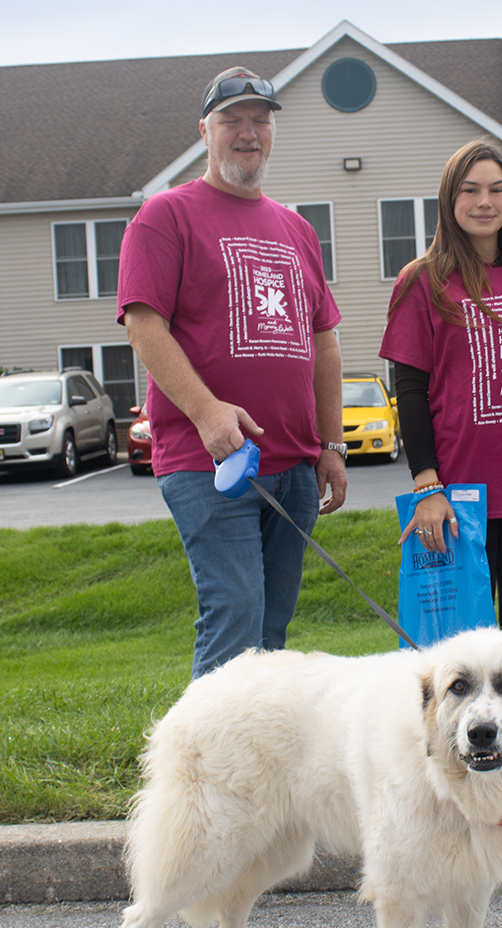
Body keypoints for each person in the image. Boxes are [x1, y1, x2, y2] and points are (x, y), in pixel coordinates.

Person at [117, 67, 347, 678]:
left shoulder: (297, 229)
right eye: (232, 121)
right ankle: (205, 745)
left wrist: (331, 445)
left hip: (294, 466)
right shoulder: (165, 216)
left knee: (271, 626)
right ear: (205, 131)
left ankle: (258, 741)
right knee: (236, 612)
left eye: (260, 121)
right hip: (210, 462)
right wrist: (206, 411)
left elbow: (323, 342)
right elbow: (144, 326)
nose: (248, 133)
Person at [379, 139, 502, 655]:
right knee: (452, 654)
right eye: (470, 190)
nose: (484, 202)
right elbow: (410, 390)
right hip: (457, 500)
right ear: (450, 200)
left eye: (496, 189)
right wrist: (427, 486)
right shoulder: (421, 281)